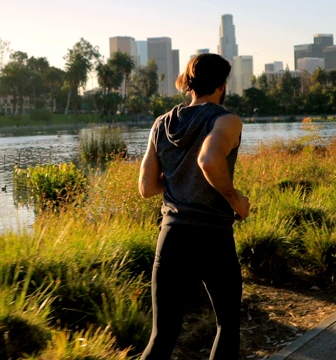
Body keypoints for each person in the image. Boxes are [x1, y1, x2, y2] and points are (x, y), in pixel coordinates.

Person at [138, 53, 250, 360]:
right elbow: (209, 160)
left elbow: (146, 187)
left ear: (190, 84)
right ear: (222, 85)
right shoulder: (226, 120)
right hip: (212, 237)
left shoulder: (161, 125)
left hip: (172, 236)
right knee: (227, 325)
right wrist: (235, 199)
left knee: (163, 335)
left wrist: (179, 183)